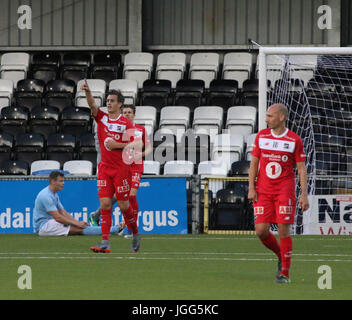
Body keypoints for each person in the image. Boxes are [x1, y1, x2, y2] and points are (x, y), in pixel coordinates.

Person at [248, 103, 309, 284]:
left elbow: (301, 169)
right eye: (266, 116)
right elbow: (254, 163)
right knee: (261, 231)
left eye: (270, 116)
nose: (266, 119)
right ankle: (280, 255)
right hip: (263, 190)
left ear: (281, 117)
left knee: (283, 228)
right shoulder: (261, 136)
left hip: (284, 189)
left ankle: (285, 272)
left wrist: (303, 194)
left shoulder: (294, 140)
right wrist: (251, 187)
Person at [80, 80, 142, 253]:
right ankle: (105, 242)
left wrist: (117, 145)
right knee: (105, 204)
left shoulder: (125, 123)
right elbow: (92, 104)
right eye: (107, 100)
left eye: (112, 100)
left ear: (120, 104)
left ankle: (135, 234)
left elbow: (135, 144)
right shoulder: (102, 118)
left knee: (123, 205)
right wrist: (87, 91)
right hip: (104, 169)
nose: (109, 103)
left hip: (121, 169)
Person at [91, 105, 152, 238]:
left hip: (135, 165)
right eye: (124, 112)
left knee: (131, 196)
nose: (127, 114)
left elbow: (148, 148)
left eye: (129, 112)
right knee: (119, 198)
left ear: (134, 115)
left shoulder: (140, 129)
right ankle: (99, 216)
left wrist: (140, 154)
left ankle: (130, 229)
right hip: (121, 165)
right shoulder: (119, 128)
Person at [33, 171, 121, 238]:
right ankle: (114, 229)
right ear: (53, 181)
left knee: (79, 227)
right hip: (43, 227)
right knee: (78, 229)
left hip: (50, 223)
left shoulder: (53, 194)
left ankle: (113, 229)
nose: (63, 183)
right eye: (61, 181)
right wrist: (77, 224)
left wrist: (77, 222)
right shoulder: (46, 196)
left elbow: (63, 212)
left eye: (63, 181)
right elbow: (58, 217)